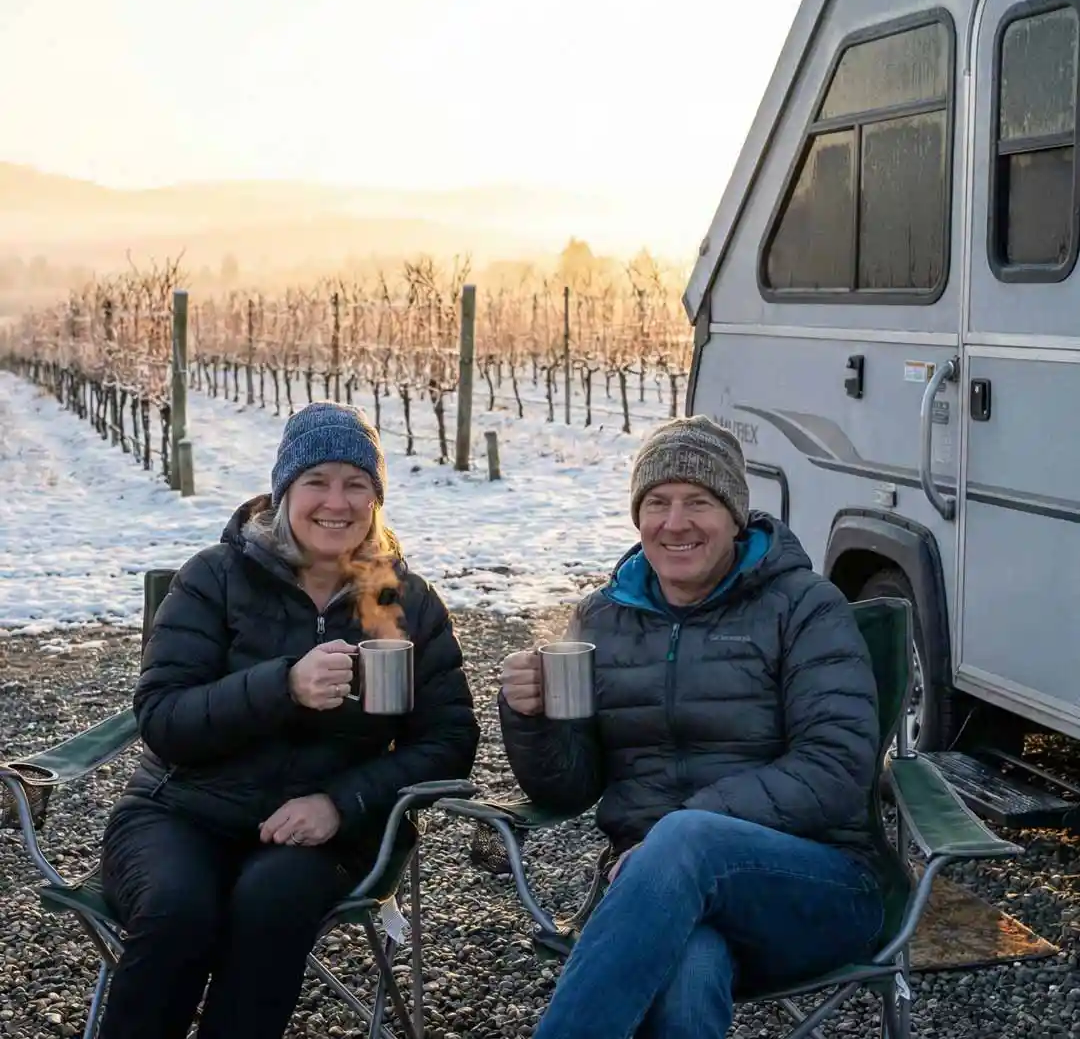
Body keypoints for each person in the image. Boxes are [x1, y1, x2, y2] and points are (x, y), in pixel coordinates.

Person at [96, 401, 480, 1039]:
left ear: (376, 499)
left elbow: (448, 741)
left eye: (357, 484)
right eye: (317, 482)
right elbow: (163, 719)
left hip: (328, 832)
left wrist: (340, 801)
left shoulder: (406, 601)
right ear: (283, 493)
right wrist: (284, 686)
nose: (338, 502)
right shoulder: (213, 579)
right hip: (184, 812)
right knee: (176, 910)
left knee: (271, 902)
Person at [499, 415, 886, 1039]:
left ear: (735, 515)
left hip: (817, 886)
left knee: (687, 840)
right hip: (658, 899)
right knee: (687, 968)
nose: (675, 523)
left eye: (698, 502)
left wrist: (681, 833)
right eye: (657, 503)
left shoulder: (805, 607)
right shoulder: (604, 618)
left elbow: (836, 769)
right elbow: (567, 790)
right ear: (637, 517)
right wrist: (531, 719)